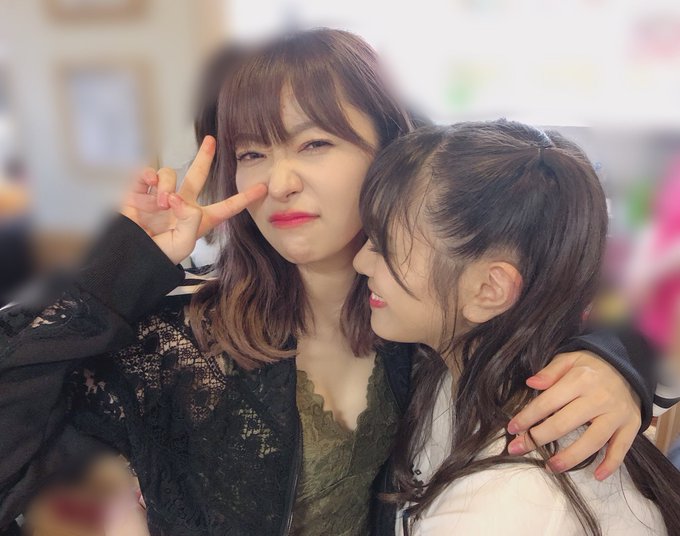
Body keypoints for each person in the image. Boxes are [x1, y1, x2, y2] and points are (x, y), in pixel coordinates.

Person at [0, 29, 660, 535]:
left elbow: (555, 280)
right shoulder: (179, 338)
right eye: (253, 153)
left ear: (390, 151)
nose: (279, 182)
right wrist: (120, 270)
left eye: (314, 144)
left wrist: (610, 362)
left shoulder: (428, 324)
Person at [353, 121, 680, 535]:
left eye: (384, 247)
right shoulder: (452, 368)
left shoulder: (503, 508)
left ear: (489, 290)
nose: (359, 262)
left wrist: (624, 356)